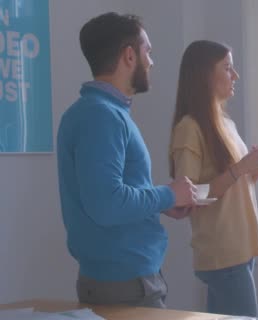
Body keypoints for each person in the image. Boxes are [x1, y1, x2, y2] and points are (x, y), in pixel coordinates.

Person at [56, 12, 197, 308]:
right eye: (148, 51)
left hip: (123, 280)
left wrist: (163, 202)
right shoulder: (101, 116)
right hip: (124, 285)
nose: (152, 61)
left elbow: (110, 195)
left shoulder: (99, 112)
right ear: (129, 56)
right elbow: (107, 204)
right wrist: (168, 193)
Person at [169, 40, 258, 317]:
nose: (236, 76)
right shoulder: (190, 128)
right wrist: (242, 167)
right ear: (206, 75)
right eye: (228, 68)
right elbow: (191, 197)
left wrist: (254, 172)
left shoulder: (225, 123)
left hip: (239, 248)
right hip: (221, 252)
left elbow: (230, 186)